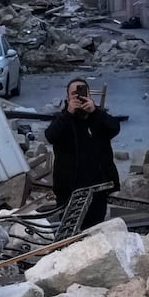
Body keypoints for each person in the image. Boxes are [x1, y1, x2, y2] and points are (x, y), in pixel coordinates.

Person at [45, 78, 123, 229]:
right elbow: (51, 136)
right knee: (70, 232)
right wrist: (68, 114)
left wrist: (95, 112)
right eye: (74, 94)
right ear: (67, 98)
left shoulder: (98, 116)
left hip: (97, 190)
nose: (78, 97)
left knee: (94, 232)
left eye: (82, 93)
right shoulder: (61, 118)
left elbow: (114, 128)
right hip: (69, 191)